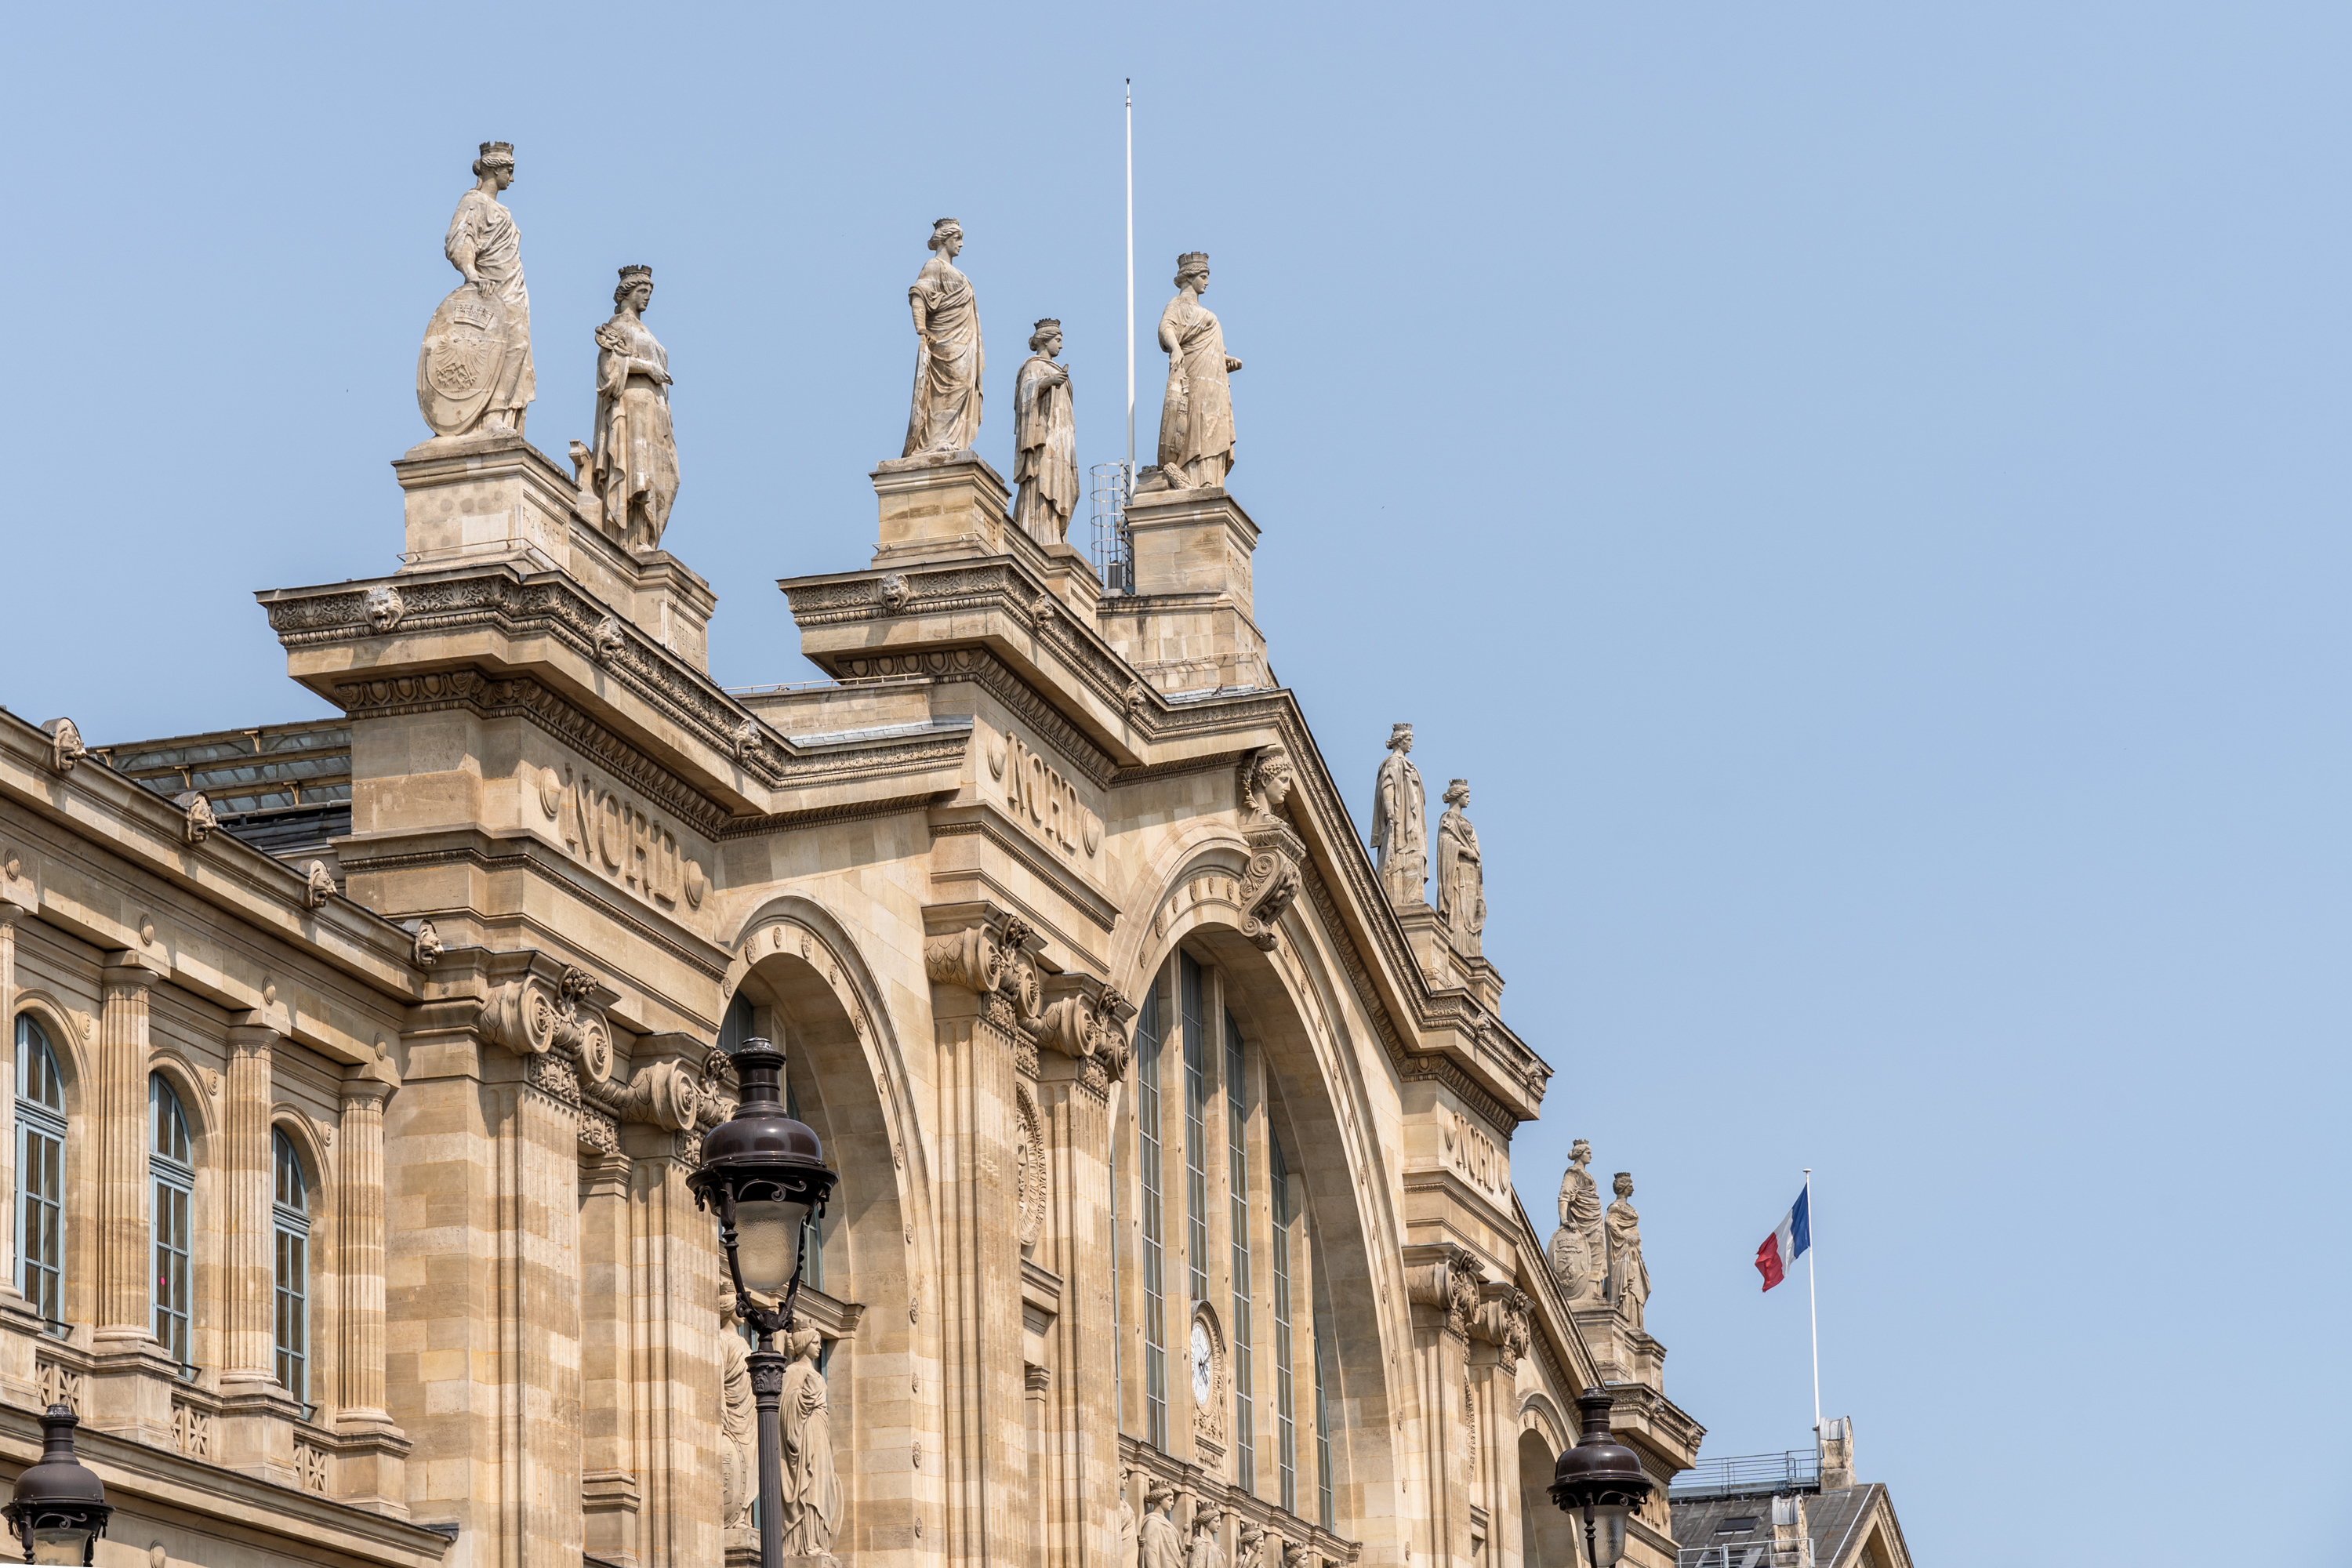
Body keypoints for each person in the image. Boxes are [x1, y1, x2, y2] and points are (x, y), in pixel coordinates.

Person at [442, 141, 534, 437]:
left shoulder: (501, 209)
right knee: (495, 350)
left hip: (514, 293)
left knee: (517, 351)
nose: (513, 178)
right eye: (510, 170)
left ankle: (502, 415)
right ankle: (489, 414)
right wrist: (471, 274)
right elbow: (460, 241)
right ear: (495, 169)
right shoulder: (473, 202)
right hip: (491, 293)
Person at [592, 265, 679, 551]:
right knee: (635, 473)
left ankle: (646, 540)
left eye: (650, 292)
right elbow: (609, 371)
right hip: (631, 409)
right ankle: (632, 540)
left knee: (665, 477)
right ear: (627, 294)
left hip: (654, 411)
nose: (647, 298)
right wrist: (648, 368)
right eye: (642, 291)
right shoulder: (617, 328)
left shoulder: (646, 332)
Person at [1153, 252, 1242, 488]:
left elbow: (1211, 347)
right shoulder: (1178, 304)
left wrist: (1225, 361)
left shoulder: (1203, 312)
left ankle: (1212, 480)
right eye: (1203, 276)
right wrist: (1175, 349)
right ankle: (1195, 477)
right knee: (1198, 424)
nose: (1207, 282)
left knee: (1215, 425)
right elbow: (1166, 328)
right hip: (1195, 377)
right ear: (1190, 277)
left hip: (1215, 382)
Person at [904, 218, 984, 457]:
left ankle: (953, 440)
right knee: (948, 388)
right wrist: (921, 329)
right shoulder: (934, 266)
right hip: (945, 342)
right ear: (944, 239)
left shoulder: (955, 271)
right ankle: (936, 441)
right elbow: (918, 294)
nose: (961, 244)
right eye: (957, 239)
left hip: (964, 342)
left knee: (962, 385)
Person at [777, 1326, 842, 1552]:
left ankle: (818, 1540)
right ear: (804, 1344)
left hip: (820, 1434)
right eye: (815, 1342)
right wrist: (807, 1397)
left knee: (822, 1487)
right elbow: (786, 1407)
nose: (818, 1346)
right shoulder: (794, 1371)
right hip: (806, 1435)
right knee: (811, 1486)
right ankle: (805, 1542)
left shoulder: (815, 1374)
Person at [1014, 319, 1078, 543]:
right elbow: (1024, 396)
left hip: (1061, 440)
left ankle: (1055, 536)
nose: (1060, 346)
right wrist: (1047, 381)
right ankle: (1037, 533)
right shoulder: (1033, 366)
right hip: (1043, 438)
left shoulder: (1057, 370)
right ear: (1046, 340)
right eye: (1058, 341)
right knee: (1042, 479)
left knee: (1060, 481)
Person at [1370, 724, 1427, 905]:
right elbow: (1387, 786)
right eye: (1409, 740)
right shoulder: (1394, 762)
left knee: (1416, 856)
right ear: (1400, 741)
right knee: (1400, 856)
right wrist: (1390, 813)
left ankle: (1413, 897)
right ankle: (1398, 897)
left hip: (1413, 821)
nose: (1411, 744)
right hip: (1401, 820)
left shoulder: (1408, 765)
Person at [716, 1287, 754, 1533]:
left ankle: (744, 1517)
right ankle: (735, 1517)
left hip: (750, 1417)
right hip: (733, 1418)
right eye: (739, 1305)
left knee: (750, 1467)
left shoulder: (744, 1342)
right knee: (737, 1465)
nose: (745, 1311)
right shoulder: (720, 1339)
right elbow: (718, 1380)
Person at [1606, 1172, 1651, 1329]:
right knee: (1626, 1286)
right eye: (1630, 1185)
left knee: (1635, 1287)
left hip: (1634, 1254)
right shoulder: (1615, 1207)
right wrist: (1625, 1238)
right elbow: (1610, 1223)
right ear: (1623, 1187)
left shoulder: (1629, 1208)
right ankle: (1625, 1323)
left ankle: (1636, 1325)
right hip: (1623, 1252)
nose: (1633, 1188)